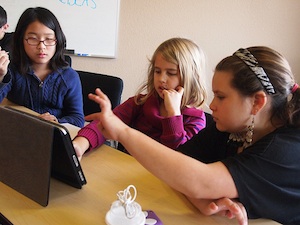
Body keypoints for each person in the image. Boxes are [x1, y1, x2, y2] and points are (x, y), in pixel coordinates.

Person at [85, 46, 300, 225]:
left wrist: (122, 132)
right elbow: (180, 166)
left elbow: (199, 181)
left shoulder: (286, 149)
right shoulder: (231, 127)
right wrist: (203, 200)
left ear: (257, 102)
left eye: (221, 97)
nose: (212, 106)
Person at [73, 37, 208, 160]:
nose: (161, 79)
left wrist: (173, 115)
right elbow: (104, 125)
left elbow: (177, 159)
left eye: (171, 73)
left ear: (191, 77)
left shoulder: (196, 119)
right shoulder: (139, 103)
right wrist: (79, 145)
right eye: (157, 71)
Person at [0, 7, 84, 127]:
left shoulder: (69, 77)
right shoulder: (12, 71)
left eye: (49, 39)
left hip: (52, 135)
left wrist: (56, 121)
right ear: (21, 40)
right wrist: (1, 77)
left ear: (58, 41)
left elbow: (78, 119)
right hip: (19, 132)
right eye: (33, 39)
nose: (41, 47)